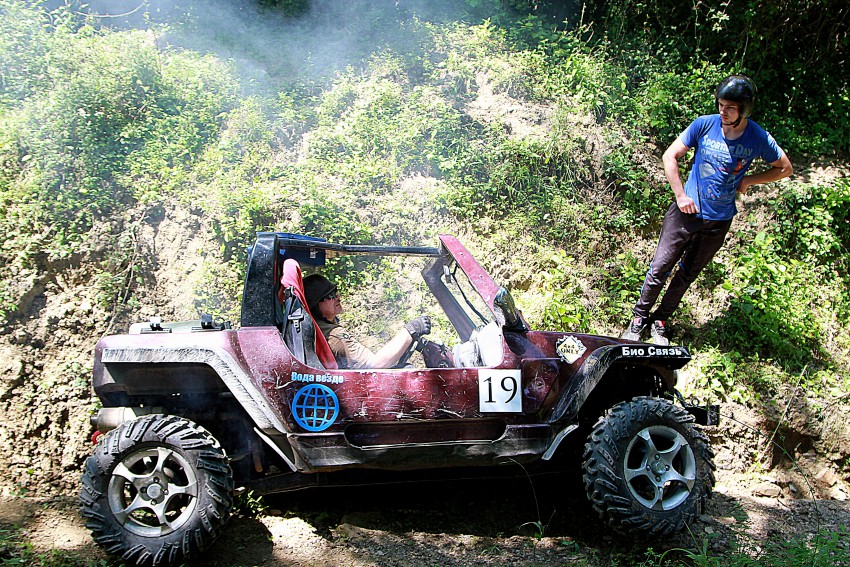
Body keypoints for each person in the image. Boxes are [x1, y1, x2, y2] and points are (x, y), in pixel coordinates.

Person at [623, 74, 793, 346]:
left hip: (718, 221)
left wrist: (750, 180)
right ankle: (638, 319)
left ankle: (660, 321)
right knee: (660, 268)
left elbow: (785, 168)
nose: (723, 111)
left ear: (744, 110)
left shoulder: (758, 137)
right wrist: (681, 196)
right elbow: (670, 156)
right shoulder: (704, 124)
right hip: (685, 215)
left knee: (686, 274)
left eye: (730, 108)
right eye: (721, 105)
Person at [302, 273, 431, 369]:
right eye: (331, 296)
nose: (338, 297)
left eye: (335, 292)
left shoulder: (319, 328)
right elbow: (374, 365)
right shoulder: (334, 335)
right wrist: (410, 330)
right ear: (315, 305)